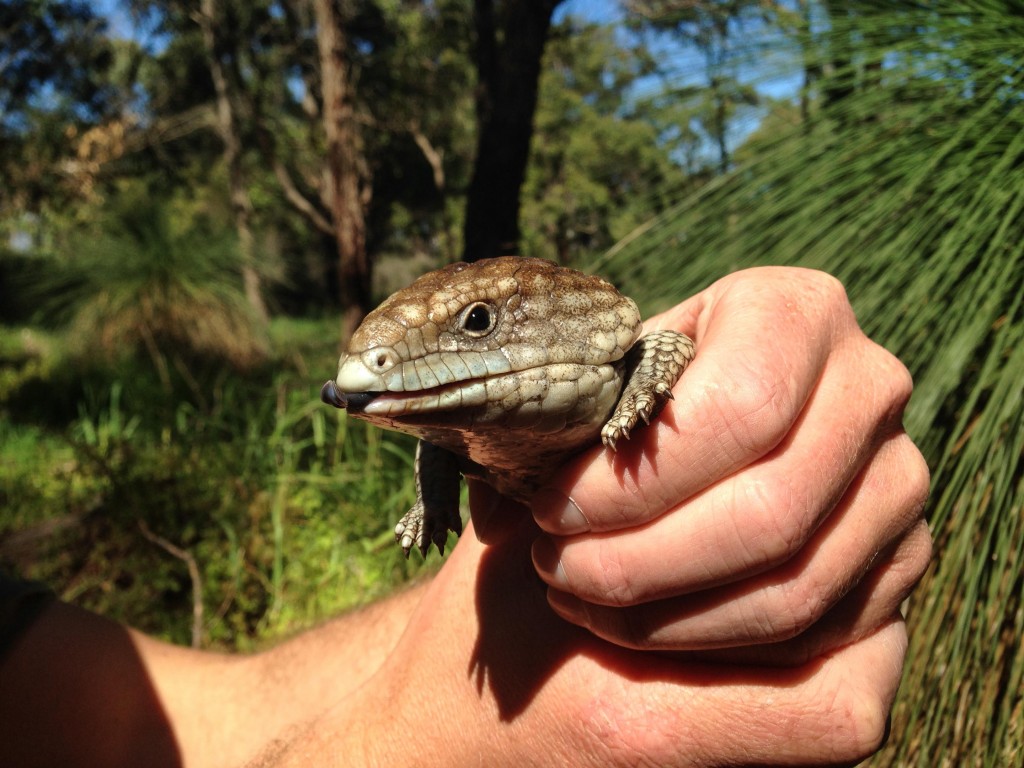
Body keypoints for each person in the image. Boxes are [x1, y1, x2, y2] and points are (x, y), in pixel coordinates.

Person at [0, 267, 932, 768]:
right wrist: (432, 739)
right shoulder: (446, 428)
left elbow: (149, 729)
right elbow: (443, 439)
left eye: (478, 326)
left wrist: (695, 400)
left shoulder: (624, 342)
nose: (402, 362)